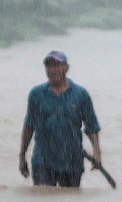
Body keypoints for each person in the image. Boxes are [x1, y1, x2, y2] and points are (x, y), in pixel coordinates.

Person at [19, 49, 103, 188]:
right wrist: (22, 156)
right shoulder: (37, 94)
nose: (53, 70)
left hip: (72, 160)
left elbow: (92, 127)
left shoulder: (80, 95)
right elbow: (29, 126)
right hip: (43, 160)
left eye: (57, 65)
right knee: (43, 199)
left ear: (67, 68)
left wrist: (97, 152)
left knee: (69, 201)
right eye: (49, 66)